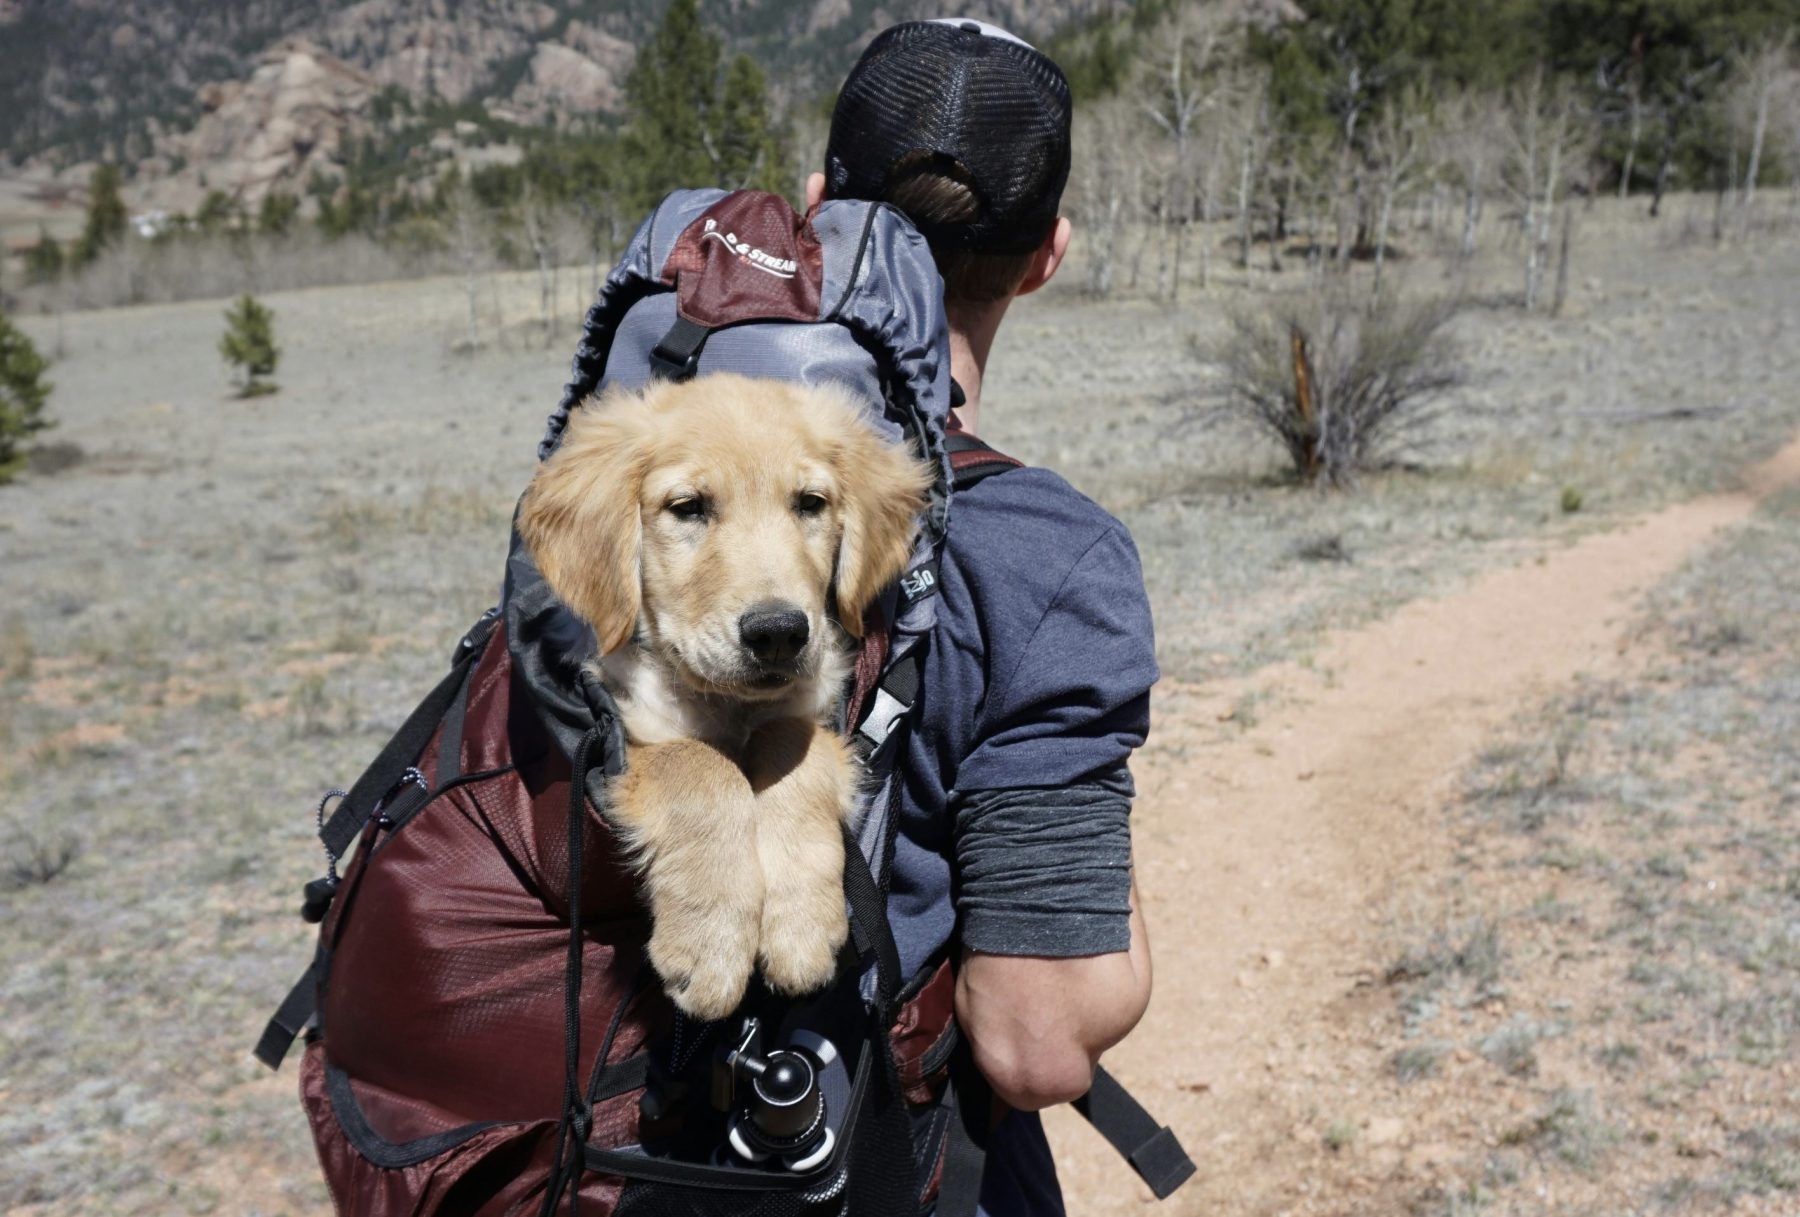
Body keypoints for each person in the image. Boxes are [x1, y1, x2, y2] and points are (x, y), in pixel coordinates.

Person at [810, 20, 1159, 1215]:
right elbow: (1035, 1040)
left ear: (816, 207)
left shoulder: (640, 459)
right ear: (1047, 254)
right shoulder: (1043, 558)